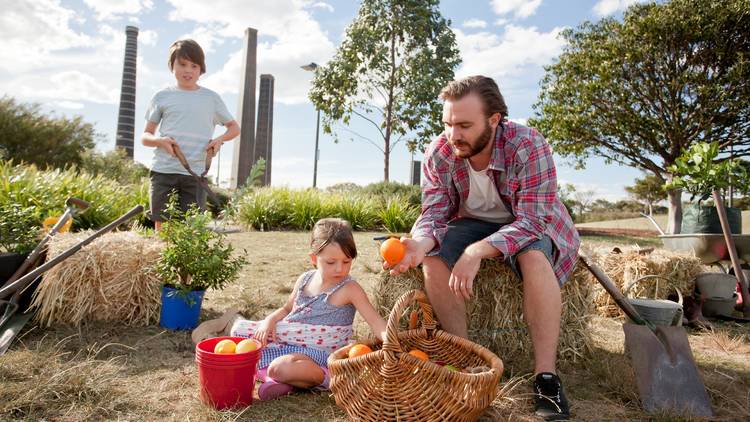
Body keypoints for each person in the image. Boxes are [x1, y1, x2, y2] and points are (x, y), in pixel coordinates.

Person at [386, 76, 580, 421]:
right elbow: (435, 212)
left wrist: (476, 252)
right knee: (431, 260)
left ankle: (546, 379)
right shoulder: (441, 152)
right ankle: (467, 362)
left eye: (464, 125)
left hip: (525, 219)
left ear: (494, 120)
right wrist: (419, 243)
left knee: (534, 257)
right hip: (471, 221)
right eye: (447, 123)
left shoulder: (528, 145)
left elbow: (533, 222)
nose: (453, 134)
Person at [192, 218, 387, 401]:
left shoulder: (349, 288)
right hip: (288, 343)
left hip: (321, 355)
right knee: (242, 334)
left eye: (346, 261)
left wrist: (390, 340)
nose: (340, 269)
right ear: (314, 258)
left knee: (280, 367)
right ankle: (281, 383)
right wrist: (269, 321)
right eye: (330, 262)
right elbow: (286, 308)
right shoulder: (305, 280)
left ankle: (324, 378)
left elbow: (375, 321)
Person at [141, 39, 240, 230]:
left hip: (194, 174)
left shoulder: (211, 99)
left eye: (194, 66)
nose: (188, 70)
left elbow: (234, 128)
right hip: (164, 171)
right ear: (172, 66)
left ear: (201, 69)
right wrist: (160, 141)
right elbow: (145, 136)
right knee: (163, 229)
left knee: (192, 229)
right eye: (182, 64)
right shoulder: (161, 96)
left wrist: (219, 140)